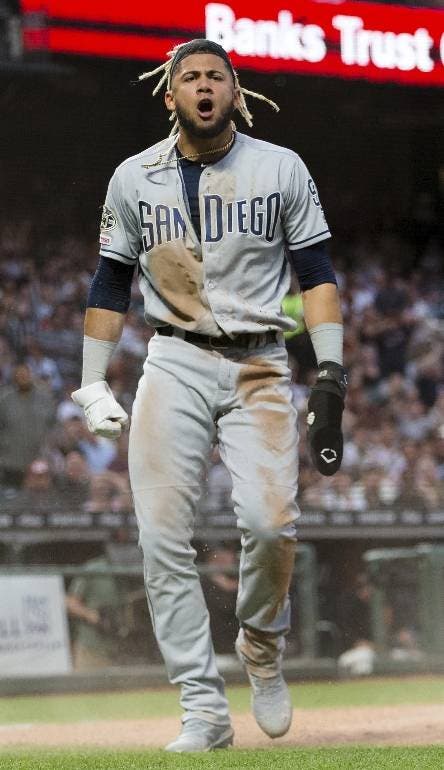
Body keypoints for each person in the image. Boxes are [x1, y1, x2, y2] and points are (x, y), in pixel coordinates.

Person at [72, 39, 346, 752]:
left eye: (214, 77)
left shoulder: (280, 167)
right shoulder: (133, 178)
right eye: (188, 77)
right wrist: (92, 379)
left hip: (260, 364)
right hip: (174, 360)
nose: (201, 86)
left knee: (271, 523)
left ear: (234, 91)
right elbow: (110, 282)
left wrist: (332, 374)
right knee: (161, 538)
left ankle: (261, 645)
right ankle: (202, 708)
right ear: (169, 95)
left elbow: (316, 275)